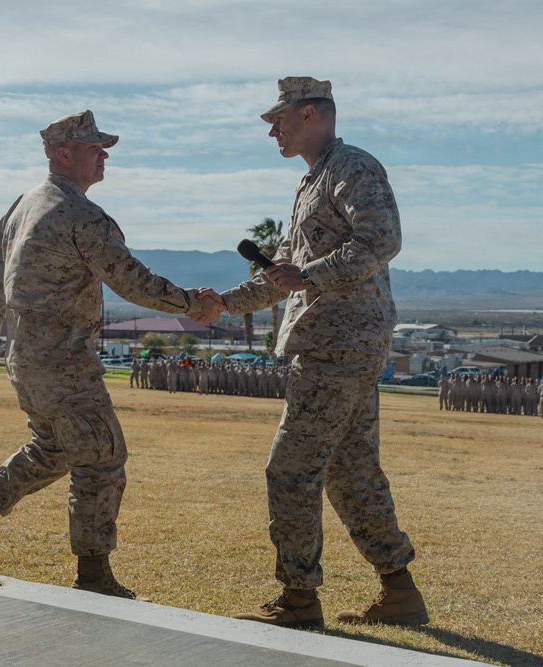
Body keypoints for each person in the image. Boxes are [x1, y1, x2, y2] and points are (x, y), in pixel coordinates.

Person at [0, 110, 223, 600]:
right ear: (62, 153)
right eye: (94, 147)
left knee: (55, 449)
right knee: (102, 458)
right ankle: (94, 576)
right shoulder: (81, 215)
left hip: (25, 355)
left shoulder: (25, 204)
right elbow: (132, 279)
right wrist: (194, 305)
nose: (104, 154)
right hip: (63, 356)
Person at [198, 77, 429, 629]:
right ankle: (399, 591)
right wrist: (223, 305)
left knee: (291, 470)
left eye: (277, 119)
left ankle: (299, 599)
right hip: (334, 341)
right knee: (351, 472)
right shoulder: (312, 182)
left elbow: (382, 239)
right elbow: (284, 272)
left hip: (340, 343)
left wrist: (309, 274)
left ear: (310, 114)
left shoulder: (352, 166)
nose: (272, 130)